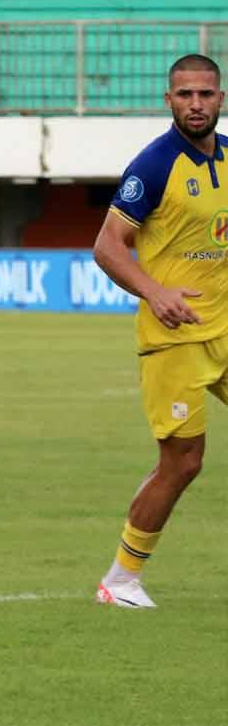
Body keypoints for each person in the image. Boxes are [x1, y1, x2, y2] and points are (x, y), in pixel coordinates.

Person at [91, 53, 227, 608]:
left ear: (220, 99)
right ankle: (120, 580)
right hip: (175, 340)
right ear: (168, 100)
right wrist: (156, 291)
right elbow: (107, 247)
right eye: (185, 94)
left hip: (225, 328)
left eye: (206, 94)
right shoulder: (152, 166)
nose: (196, 104)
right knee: (184, 462)